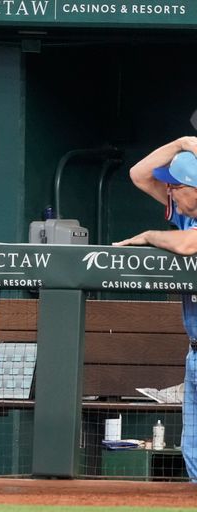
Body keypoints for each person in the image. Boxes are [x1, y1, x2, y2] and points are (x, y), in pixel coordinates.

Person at [113, 136, 197, 482]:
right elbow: (139, 174)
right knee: (192, 446)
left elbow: (190, 244)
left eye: (175, 187)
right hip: (195, 351)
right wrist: (183, 143)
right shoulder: (183, 213)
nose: (168, 193)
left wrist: (150, 235)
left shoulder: (184, 228)